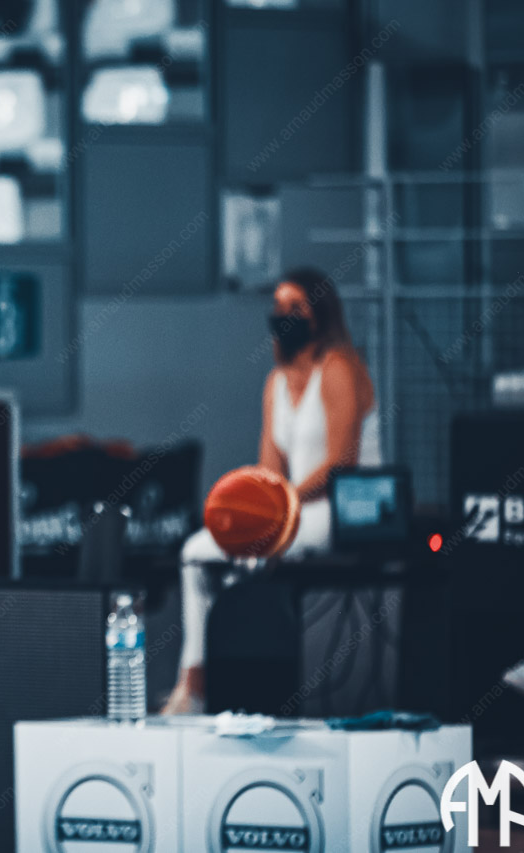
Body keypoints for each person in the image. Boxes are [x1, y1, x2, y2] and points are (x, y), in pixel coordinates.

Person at [162, 267, 381, 715]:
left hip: (345, 508)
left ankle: (237, 681)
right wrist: (250, 509)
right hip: (295, 507)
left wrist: (283, 505)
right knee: (198, 551)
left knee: (252, 553)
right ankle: (196, 680)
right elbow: (269, 470)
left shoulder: (339, 367)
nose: (283, 314)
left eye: (295, 307)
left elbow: (341, 463)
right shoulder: (276, 382)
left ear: (319, 315)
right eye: (278, 306)